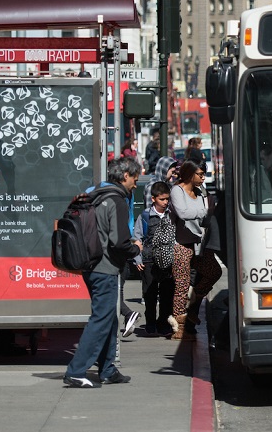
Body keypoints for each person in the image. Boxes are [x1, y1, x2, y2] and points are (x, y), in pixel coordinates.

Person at [64, 156, 143, 389]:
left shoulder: (95, 194)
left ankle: (107, 369)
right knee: (101, 319)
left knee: (109, 318)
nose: (136, 185)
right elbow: (119, 241)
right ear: (125, 175)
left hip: (90, 265)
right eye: (135, 179)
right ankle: (77, 371)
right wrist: (135, 248)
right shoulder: (117, 200)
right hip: (106, 267)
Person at [169, 160, 222, 340]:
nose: (202, 178)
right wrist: (205, 211)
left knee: (213, 271)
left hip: (198, 244)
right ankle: (179, 327)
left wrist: (208, 211)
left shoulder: (200, 192)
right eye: (200, 174)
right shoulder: (177, 190)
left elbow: (204, 219)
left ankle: (194, 305)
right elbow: (183, 213)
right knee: (182, 285)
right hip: (181, 244)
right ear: (190, 174)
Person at [132, 181, 176, 337]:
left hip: (168, 262)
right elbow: (138, 238)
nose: (165, 202)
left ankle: (163, 323)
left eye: (167, 199)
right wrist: (138, 259)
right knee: (149, 294)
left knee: (166, 294)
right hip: (149, 261)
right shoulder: (145, 216)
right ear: (153, 199)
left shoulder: (172, 215)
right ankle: (150, 322)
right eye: (162, 199)